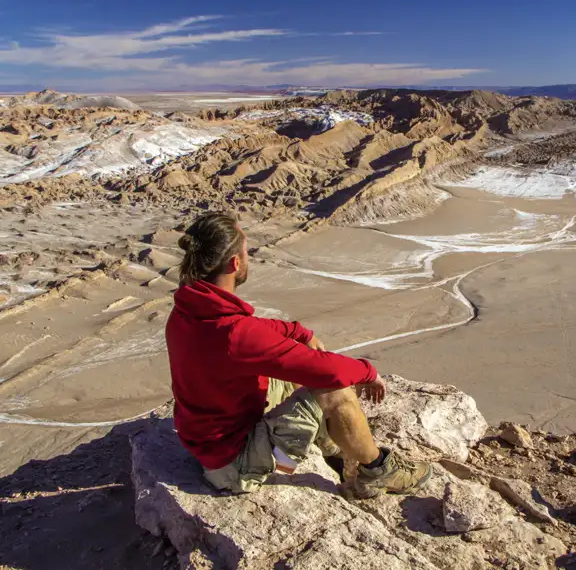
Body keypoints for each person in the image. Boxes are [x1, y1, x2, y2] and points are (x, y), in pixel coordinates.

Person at [165, 211, 431, 497]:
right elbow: (331, 371)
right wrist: (369, 372)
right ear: (235, 263)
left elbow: (252, 331)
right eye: (247, 252)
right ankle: (378, 471)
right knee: (334, 390)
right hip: (237, 469)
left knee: (292, 373)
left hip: (212, 443)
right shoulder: (234, 334)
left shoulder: (189, 309)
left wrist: (298, 332)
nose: (248, 258)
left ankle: (333, 452)